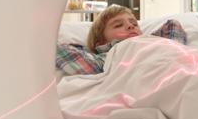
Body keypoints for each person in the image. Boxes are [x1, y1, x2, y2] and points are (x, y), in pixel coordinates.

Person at [56, 5, 187, 75]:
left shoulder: (158, 42)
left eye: (134, 24)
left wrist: (145, 39)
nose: (130, 26)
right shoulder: (106, 58)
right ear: (101, 42)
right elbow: (60, 51)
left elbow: (173, 26)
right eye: (118, 25)